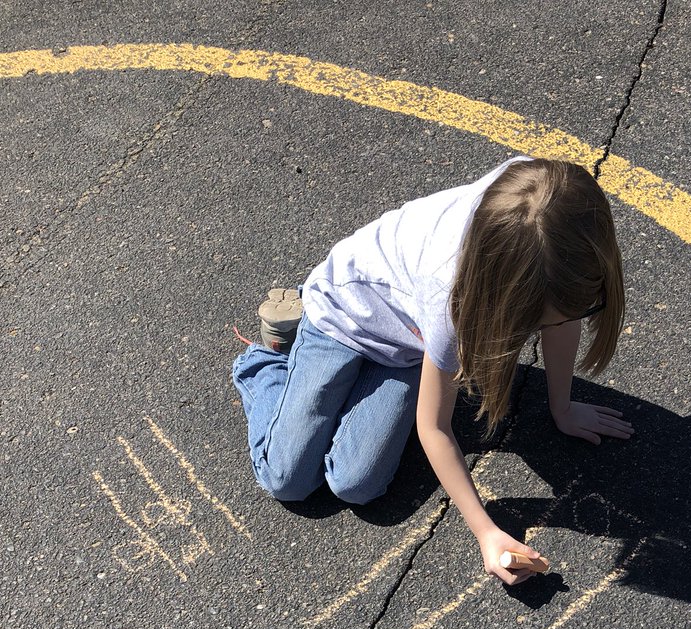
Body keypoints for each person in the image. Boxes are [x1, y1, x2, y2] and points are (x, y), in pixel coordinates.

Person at [232, 156, 633, 585]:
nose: (542, 330)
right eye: (533, 321)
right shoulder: (451, 297)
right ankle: (266, 363)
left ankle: (327, 386)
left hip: (407, 340)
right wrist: (486, 532)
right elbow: (435, 428)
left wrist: (563, 407)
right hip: (343, 315)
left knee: (356, 484)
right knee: (287, 479)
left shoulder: (548, 216)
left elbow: (563, 318)